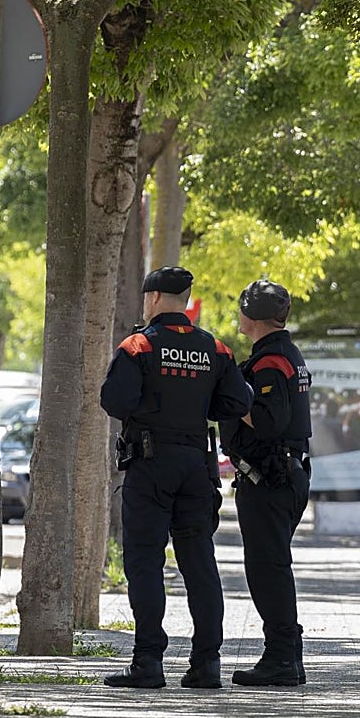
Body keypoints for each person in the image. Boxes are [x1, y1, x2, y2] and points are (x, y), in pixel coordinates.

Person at [99, 266, 253, 690]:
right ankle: (207, 663)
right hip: (196, 464)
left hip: (149, 464)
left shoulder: (138, 345)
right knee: (199, 562)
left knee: (145, 561)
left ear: (151, 299)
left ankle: (148, 661)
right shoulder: (215, 349)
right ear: (184, 302)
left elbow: (114, 400)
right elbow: (238, 401)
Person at [220, 279, 312, 687]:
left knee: (267, 568)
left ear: (252, 316)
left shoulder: (271, 361)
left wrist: (233, 397)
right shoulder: (282, 355)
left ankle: (280, 657)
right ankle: (288, 658)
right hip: (285, 474)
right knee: (271, 566)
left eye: (241, 308)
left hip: (271, 478)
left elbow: (269, 420)